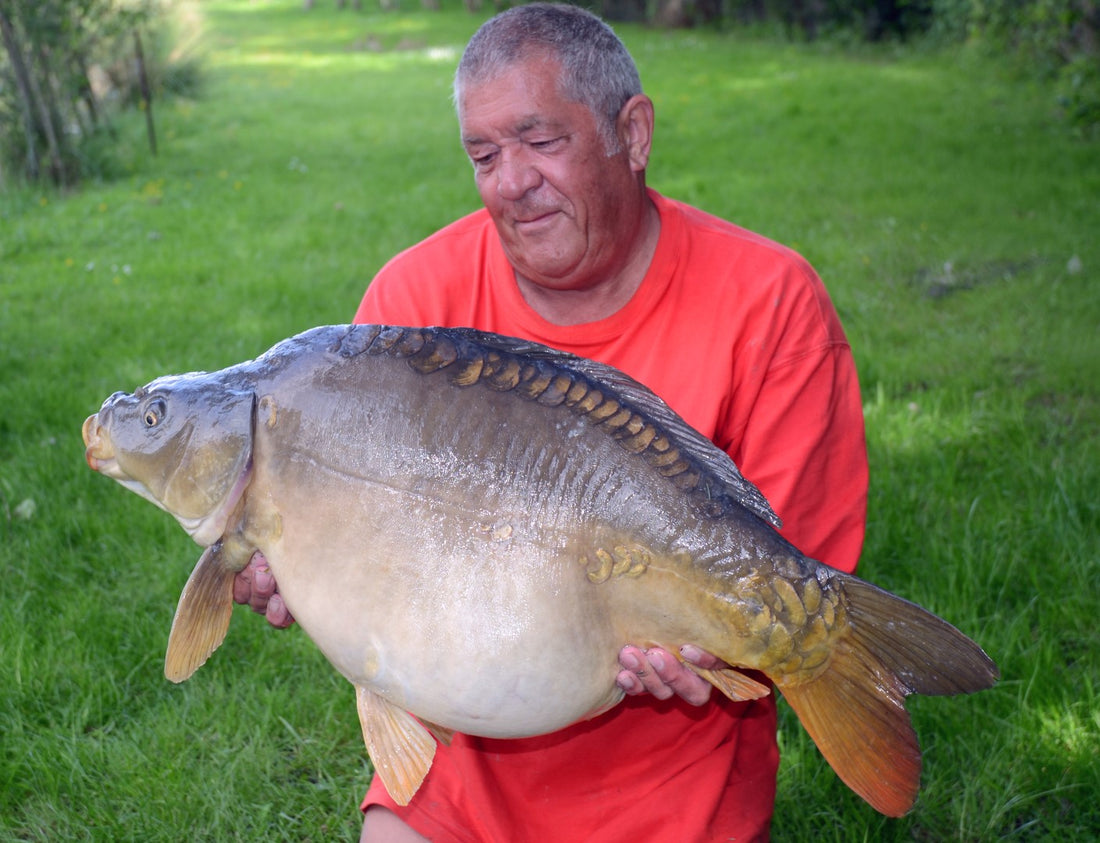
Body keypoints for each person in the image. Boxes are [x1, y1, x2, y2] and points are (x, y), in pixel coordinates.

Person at [235, 4, 867, 841]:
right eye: (483, 154)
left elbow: (802, 566)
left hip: (676, 796)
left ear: (632, 134)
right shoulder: (409, 310)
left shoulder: (771, 303)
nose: (510, 181)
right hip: (461, 781)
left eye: (540, 141)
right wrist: (305, 558)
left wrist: (722, 653)